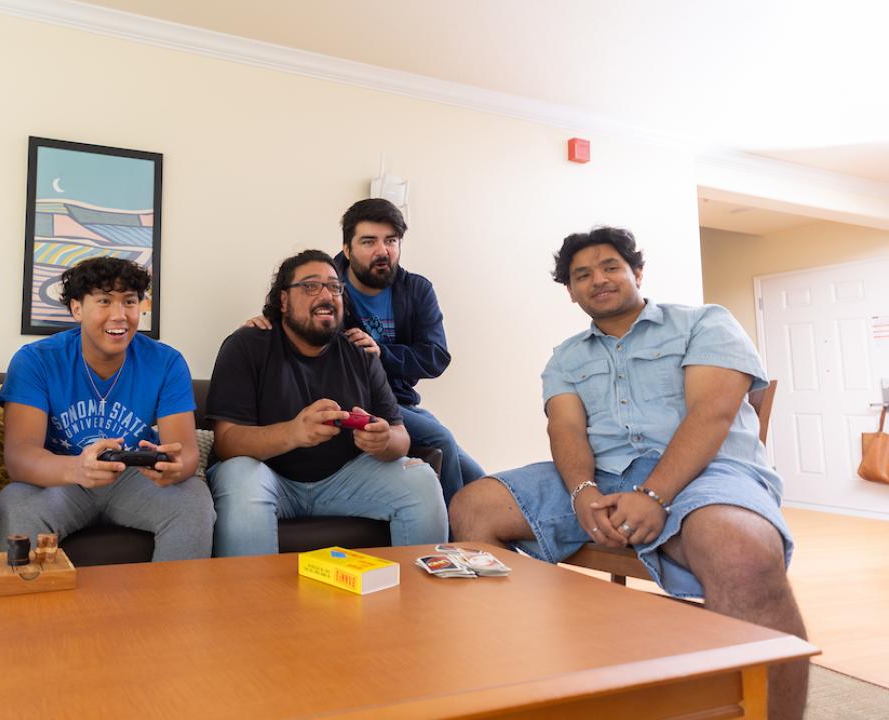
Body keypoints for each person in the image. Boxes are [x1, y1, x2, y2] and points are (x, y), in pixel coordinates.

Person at [449, 227, 809, 719]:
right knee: (474, 506)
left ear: (637, 272)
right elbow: (566, 427)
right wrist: (581, 491)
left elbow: (712, 413)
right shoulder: (567, 356)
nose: (598, 279)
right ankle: (520, 674)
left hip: (706, 473)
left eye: (610, 266)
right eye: (582, 275)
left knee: (741, 552)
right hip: (602, 476)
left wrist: (654, 493)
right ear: (571, 292)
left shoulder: (704, 322)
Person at [207, 249, 447, 556]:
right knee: (240, 477)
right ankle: (254, 602)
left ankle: (420, 602)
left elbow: (401, 437)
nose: (326, 294)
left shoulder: (360, 352)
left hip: (345, 479)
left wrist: (384, 439)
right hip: (268, 478)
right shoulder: (247, 345)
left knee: (422, 482)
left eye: (334, 287)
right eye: (310, 286)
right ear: (283, 300)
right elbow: (227, 441)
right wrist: (294, 433)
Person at [245, 198, 482, 506]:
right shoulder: (327, 287)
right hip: (353, 399)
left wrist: (382, 353)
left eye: (391, 241)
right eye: (369, 241)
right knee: (442, 440)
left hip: (402, 403)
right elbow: (293, 322)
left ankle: (489, 538)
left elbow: (435, 356)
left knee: (478, 476)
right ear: (347, 249)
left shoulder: (417, 290)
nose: (382, 251)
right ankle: (453, 542)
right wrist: (262, 322)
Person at [0, 257, 214, 559]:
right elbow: (19, 458)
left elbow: (186, 451)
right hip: (61, 477)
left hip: (134, 479)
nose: (120, 315)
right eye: (104, 301)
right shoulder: (36, 360)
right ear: (76, 309)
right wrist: (77, 469)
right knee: (16, 501)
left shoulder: (166, 362)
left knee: (193, 500)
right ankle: (19, 606)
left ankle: (172, 606)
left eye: (129, 302)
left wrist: (175, 468)